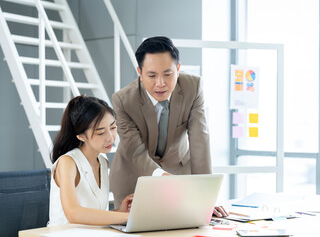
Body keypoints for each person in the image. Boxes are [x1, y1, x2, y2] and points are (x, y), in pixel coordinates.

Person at [110, 36, 228, 217]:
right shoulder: (123, 100)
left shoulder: (193, 88)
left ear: (178, 69)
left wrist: (206, 197)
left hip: (178, 174)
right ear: (140, 73)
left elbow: (199, 140)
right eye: (151, 75)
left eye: (167, 74)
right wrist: (163, 178)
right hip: (135, 178)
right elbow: (134, 150)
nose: (160, 83)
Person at [48, 95, 133, 226]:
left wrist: (121, 211)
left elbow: (94, 214)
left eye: (113, 127)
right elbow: (73, 214)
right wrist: (125, 217)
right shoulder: (68, 162)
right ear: (81, 136)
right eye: (101, 132)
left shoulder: (102, 162)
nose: (110, 138)